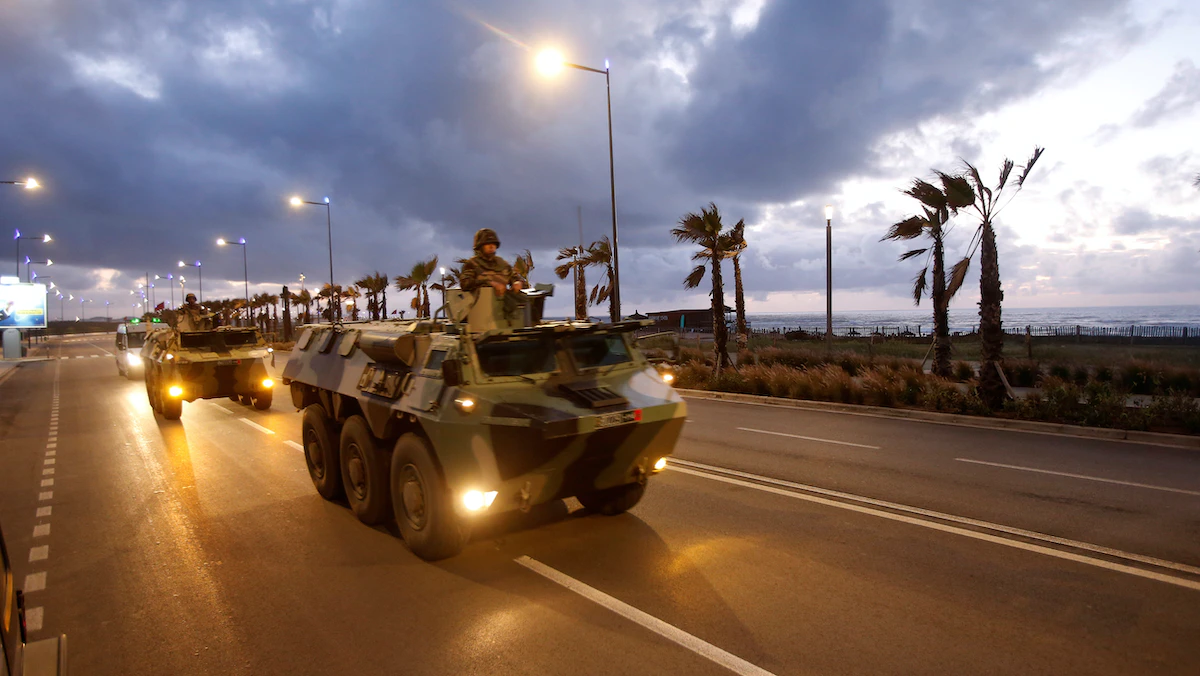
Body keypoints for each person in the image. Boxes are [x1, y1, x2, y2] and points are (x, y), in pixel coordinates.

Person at [460, 228, 526, 296]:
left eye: (494, 244)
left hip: (503, 300)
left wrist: (517, 283)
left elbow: (516, 278)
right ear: (480, 246)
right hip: (482, 300)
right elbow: (465, 283)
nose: (491, 246)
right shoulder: (472, 264)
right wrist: (489, 283)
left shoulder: (502, 264)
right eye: (487, 244)